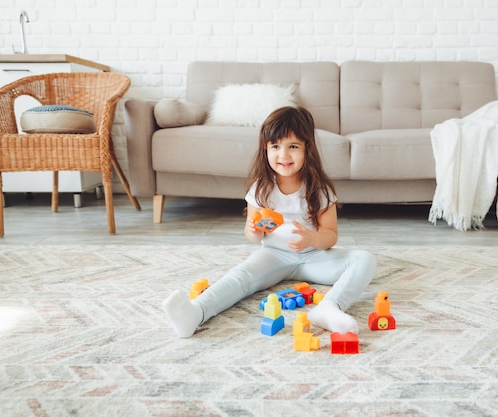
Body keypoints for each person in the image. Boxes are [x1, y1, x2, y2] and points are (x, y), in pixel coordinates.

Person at [162, 106, 377, 338]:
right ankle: (195, 313)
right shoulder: (261, 188)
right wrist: (253, 229)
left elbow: (331, 234)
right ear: (265, 149)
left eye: (293, 147)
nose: (283, 155)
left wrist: (312, 238)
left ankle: (329, 307)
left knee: (365, 259)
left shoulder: (319, 189)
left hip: (314, 257)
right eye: (275, 147)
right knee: (241, 275)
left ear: (308, 149)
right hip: (274, 254)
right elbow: (252, 236)